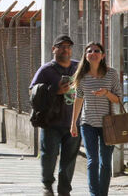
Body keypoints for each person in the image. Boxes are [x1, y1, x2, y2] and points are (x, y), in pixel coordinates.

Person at [69, 42, 122, 196]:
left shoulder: (111, 74)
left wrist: (106, 92)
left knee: (105, 163)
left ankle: (102, 193)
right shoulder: (81, 75)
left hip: (108, 125)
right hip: (88, 124)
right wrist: (74, 123)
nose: (93, 53)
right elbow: (78, 99)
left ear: (102, 55)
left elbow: (118, 99)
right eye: (89, 51)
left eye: (97, 51)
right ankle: (94, 194)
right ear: (86, 56)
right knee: (92, 162)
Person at [30, 35, 79, 196]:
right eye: (62, 46)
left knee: (69, 160)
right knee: (49, 156)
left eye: (68, 47)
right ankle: (47, 185)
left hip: (73, 122)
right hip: (51, 122)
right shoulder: (46, 70)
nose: (65, 49)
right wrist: (55, 91)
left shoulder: (78, 68)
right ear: (54, 49)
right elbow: (33, 92)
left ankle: (64, 190)